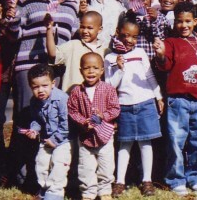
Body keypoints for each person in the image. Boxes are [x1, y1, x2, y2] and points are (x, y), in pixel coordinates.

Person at [4, 0, 78, 187]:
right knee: (27, 120)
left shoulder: (70, 3)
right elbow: (14, 34)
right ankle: (24, 175)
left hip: (58, 71)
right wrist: (12, 15)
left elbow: (74, 35)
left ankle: (53, 176)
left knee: (55, 121)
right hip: (29, 68)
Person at [153, 2, 197, 196]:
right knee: (176, 141)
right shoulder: (171, 42)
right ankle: (176, 178)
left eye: (188, 21)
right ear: (175, 23)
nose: (184, 25)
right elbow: (165, 67)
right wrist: (161, 54)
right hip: (177, 101)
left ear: (195, 21)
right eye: (179, 22)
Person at [104, 13, 164, 197]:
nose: (130, 40)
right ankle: (120, 181)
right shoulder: (110, 58)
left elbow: (150, 76)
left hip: (145, 102)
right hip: (125, 105)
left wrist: (159, 96)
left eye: (134, 36)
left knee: (146, 143)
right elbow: (109, 85)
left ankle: (147, 180)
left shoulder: (140, 53)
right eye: (125, 35)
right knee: (124, 144)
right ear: (117, 33)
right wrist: (119, 69)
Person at [68, 52, 120, 200]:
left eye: (95, 68)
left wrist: (104, 115)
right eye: (87, 68)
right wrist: (82, 121)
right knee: (86, 168)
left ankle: (104, 192)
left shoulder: (108, 89)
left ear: (102, 70)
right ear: (80, 71)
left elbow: (115, 108)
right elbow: (72, 110)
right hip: (86, 137)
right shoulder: (77, 91)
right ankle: (88, 193)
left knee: (106, 166)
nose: (91, 71)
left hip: (105, 136)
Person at [24, 64, 71, 200]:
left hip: (62, 140)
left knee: (58, 164)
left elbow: (66, 124)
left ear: (53, 83)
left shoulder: (62, 99)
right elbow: (37, 120)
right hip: (46, 139)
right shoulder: (35, 101)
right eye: (35, 87)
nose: (40, 90)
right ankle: (44, 188)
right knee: (41, 163)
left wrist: (55, 140)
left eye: (44, 86)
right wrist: (34, 130)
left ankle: (55, 192)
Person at [45, 11, 109, 92]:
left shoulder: (105, 50)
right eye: (82, 27)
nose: (85, 31)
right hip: (72, 97)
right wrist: (49, 29)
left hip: (96, 99)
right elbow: (53, 53)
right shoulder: (73, 45)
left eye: (89, 28)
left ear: (99, 29)